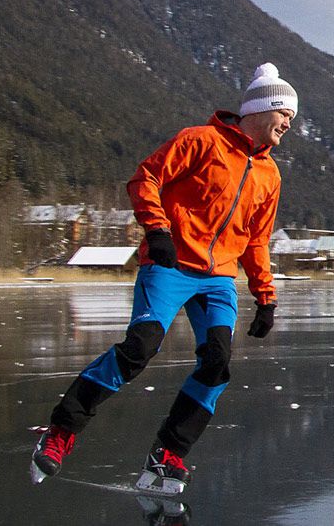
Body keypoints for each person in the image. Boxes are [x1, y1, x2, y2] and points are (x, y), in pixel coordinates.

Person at [30, 63, 297, 495]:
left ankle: (166, 457)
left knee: (217, 362)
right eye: (285, 114)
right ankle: (61, 431)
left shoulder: (270, 175)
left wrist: (265, 298)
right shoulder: (200, 141)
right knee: (140, 347)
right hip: (171, 266)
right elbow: (146, 177)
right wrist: (158, 231)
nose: (289, 124)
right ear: (262, 108)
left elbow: (257, 240)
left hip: (218, 280)